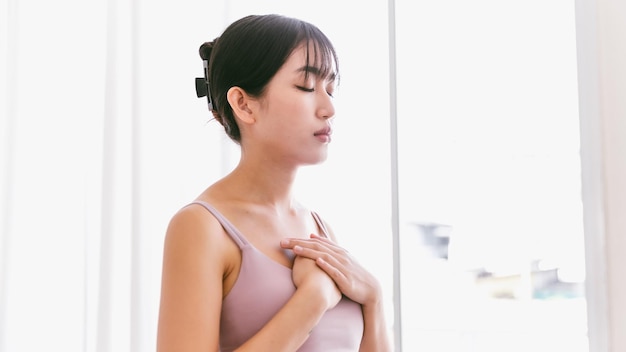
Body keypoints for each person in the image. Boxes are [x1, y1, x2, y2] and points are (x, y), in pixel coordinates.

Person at [156, 14, 391, 352]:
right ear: (243, 104)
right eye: (306, 87)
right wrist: (312, 300)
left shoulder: (319, 228)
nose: (328, 108)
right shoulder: (201, 227)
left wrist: (375, 298)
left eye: (331, 89)